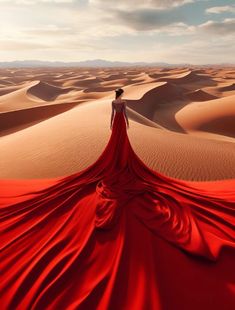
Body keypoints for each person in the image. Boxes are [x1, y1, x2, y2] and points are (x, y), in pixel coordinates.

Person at [0, 86, 235, 309]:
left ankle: (119, 163)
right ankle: (121, 163)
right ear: (122, 95)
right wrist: (122, 125)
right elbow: (121, 117)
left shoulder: (114, 103)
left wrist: (115, 126)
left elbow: (113, 117)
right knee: (121, 148)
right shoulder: (122, 104)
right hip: (123, 127)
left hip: (119, 128)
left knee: (118, 147)